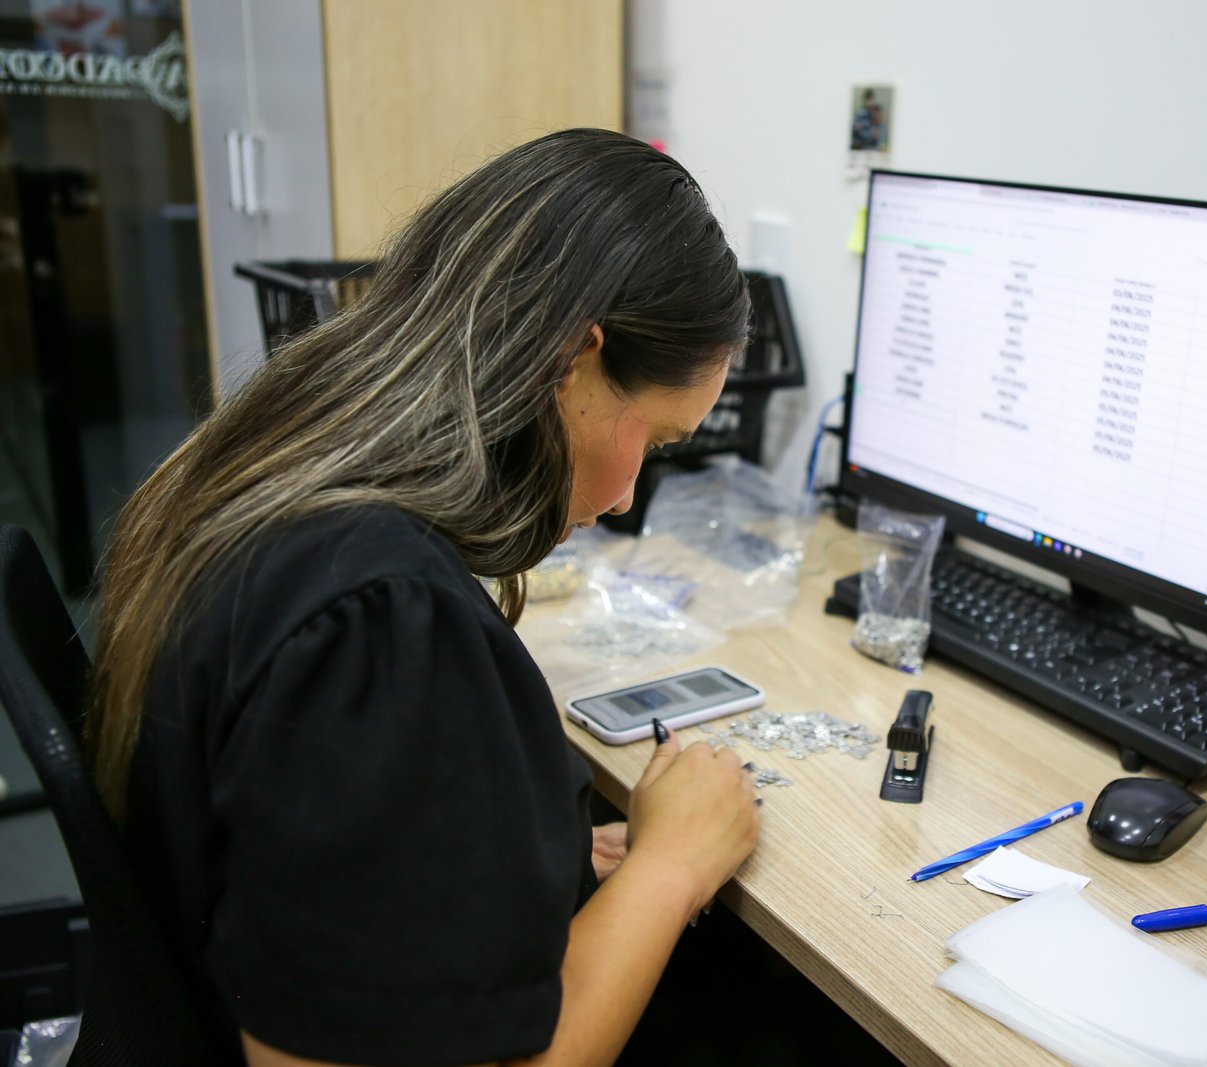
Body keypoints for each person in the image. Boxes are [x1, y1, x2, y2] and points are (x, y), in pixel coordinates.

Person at [86, 128, 762, 1067]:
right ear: (571, 360)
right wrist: (669, 868)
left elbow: (331, 861)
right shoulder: (381, 625)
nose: (624, 498)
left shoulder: (269, 467)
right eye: (654, 439)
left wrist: (521, 867)